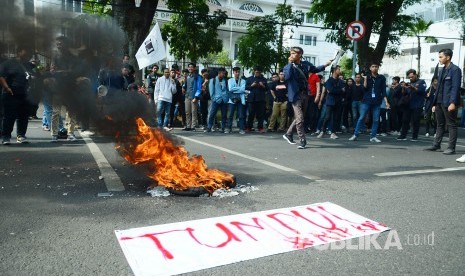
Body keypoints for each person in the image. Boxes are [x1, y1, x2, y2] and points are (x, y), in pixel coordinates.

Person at [282, 46, 332, 149]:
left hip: (305, 94)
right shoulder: (287, 67)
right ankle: (302, 140)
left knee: (300, 118)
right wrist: (290, 64)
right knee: (300, 118)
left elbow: (315, 69)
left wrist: (325, 64)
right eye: (291, 53)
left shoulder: (305, 65)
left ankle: (288, 134)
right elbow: (287, 77)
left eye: (294, 53)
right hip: (295, 96)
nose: (291, 55)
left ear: (300, 55)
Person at [424, 48, 462, 155]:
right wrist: (435, 103)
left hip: (449, 102)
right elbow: (438, 88)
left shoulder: (455, 70)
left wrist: (453, 102)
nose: (439, 59)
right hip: (439, 102)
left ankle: (451, 148)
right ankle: (436, 145)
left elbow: (455, 87)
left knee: (451, 124)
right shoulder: (442, 71)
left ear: (448, 57)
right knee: (439, 124)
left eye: (441, 57)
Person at [349, 62, 390, 143]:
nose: (374, 68)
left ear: (378, 68)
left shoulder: (381, 78)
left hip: (377, 101)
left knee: (375, 120)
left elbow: (383, 91)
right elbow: (364, 89)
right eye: (373, 66)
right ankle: (355, 134)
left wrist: (386, 102)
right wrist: (365, 80)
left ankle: (373, 137)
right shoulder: (367, 77)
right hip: (366, 100)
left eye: (376, 66)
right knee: (361, 117)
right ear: (370, 68)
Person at [0, 45, 33, 145]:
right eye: (25, 51)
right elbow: (1, 76)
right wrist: (6, 87)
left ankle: (21, 135)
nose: (28, 53)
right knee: (9, 116)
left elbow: (35, 75)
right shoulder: (8, 63)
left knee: (23, 116)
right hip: (11, 94)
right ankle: (6, 137)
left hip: (25, 94)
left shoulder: (29, 65)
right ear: (19, 52)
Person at [396, 69, 426, 141]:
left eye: (412, 77)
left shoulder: (421, 82)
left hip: (417, 105)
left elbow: (421, 91)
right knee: (405, 120)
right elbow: (404, 93)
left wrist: (413, 88)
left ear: (415, 75)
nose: (410, 78)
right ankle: (403, 135)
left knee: (415, 121)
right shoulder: (408, 83)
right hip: (408, 105)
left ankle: (415, 136)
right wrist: (403, 87)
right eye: (409, 77)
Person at [317, 66, 344, 139]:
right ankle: (322, 131)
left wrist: (336, 90)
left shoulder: (341, 81)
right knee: (327, 117)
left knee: (336, 118)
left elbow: (343, 91)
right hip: (330, 101)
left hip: (338, 102)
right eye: (338, 69)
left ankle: (333, 133)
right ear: (334, 71)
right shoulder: (329, 81)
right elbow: (330, 90)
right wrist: (339, 90)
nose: (340, 70)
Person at [245, 66, 268, 133]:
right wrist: (252, 85)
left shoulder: (264, 79)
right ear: (254, 72)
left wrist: (262, 86)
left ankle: (260, 128)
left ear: (261, 72)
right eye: (256, 72)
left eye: (258, 72)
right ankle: (249, 127)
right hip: (251, 99)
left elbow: (267, 89)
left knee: (260, 114)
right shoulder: (249, 79)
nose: (257, 73)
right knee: (251, 114)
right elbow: (246, 87)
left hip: (260, 99)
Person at [205, 67, 228, 133]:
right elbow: (211, 92)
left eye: (224, 73)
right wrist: (214, 99)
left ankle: (223, 128)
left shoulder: (225, 80)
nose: (224, 74)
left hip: (224, 100)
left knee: (224, 115)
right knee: (212, 114)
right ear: (219, 73)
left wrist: (226, 98)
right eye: (223, 73)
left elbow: (227, 90)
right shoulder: (213, 80)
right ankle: (209, 127)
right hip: (216, 100)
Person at [183, 63, 202, 131]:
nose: (190, 68)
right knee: (187, 112)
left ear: (194, 68)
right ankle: (188, 125)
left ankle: (193, 126)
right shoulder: (187, 76)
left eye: (191, 67)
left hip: (194, 97)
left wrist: (196, 97)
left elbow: (199, 88)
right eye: (189, 67)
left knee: (194, 112)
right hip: (187, 96)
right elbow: (185, 84)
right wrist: (183, 87)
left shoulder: (198, 77)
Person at [227, 66, 246, 134]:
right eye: (236, 72)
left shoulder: (243, 81)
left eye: (238, 72)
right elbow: (230, 89)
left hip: (241, 99)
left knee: (241, 115)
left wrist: (236, 89)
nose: (237, 73)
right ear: (233, 72)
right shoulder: (230, 80)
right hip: (232, 99)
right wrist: (239, 89)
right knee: (231, 114)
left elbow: (243, 89)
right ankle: (229, 128)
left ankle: (241, 129)